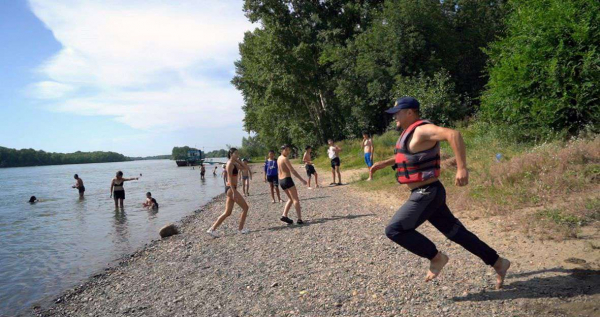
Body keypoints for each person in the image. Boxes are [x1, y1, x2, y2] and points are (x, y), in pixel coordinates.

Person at [370, 96, 511, 289]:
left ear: (410, 112)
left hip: (427, 193)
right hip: (428, 193)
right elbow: (406, 155)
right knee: (457, 233)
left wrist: (462, 168)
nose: (394, 117)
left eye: (397, 113)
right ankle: (498, 263)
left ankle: (436, 258)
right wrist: (384, 163)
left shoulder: (422, 129)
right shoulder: (409, 134)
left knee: (395, 229)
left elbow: (454, 134)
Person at [207, 148, 250, 237]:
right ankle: (241, 229)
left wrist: (238, 161)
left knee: (227, 212)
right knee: (245, 207)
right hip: (231, 189)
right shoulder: (230, 164)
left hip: (231, 189)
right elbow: (229, 178)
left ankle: (212, 229)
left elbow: (245, 168)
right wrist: (234, 192)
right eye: (236, 154)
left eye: (238, 154)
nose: (237, 155)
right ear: (231, 154)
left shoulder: (234, 163)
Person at [278, 144, 308, 225]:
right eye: (286, 150)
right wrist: (302, 180)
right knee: (295, 199)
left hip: (281, 181)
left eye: (288, 150)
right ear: (282, 150)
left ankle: (284, 215)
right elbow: (293, 171)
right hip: (287, 180)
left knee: (290, 199)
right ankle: (299, 219)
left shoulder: (279, 158)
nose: (288, 152)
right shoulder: (285, 159)